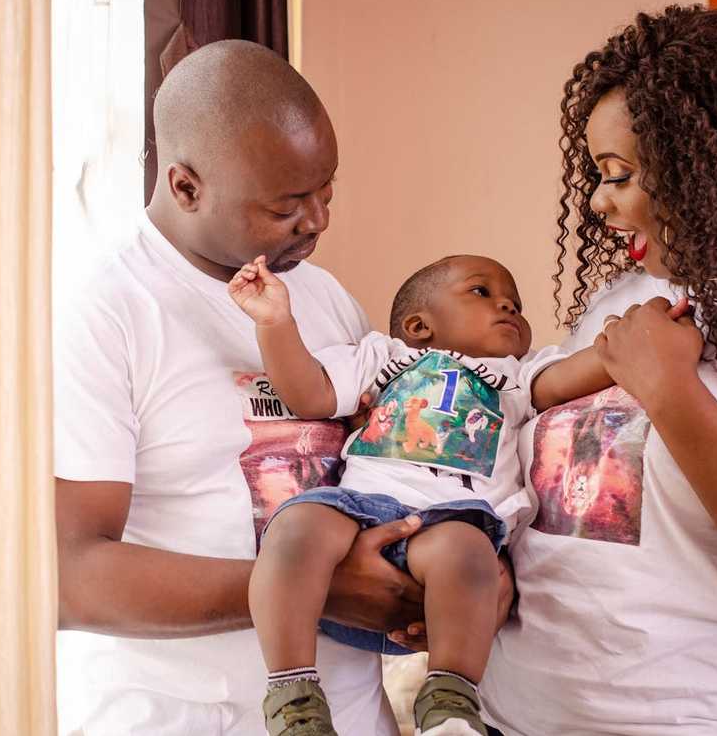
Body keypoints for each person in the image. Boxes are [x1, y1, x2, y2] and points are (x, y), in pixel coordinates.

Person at [480, 6, 717, 735]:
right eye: (596, 175)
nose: (597, 202)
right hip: (507, 714)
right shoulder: (618, 303)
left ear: (710, 165)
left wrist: (672, 391)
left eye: (618, 174)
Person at [54, 40, 425, 736]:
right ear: (186, 185)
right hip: (172, 715)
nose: (316, 221)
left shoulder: (324, 298)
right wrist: (314, 591)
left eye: (326, 192)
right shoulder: (103, 312)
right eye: (287, 205)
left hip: (347, 714)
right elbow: (68, 578)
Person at [229, 253, 684, 735]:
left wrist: (635, 336)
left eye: (516, 303)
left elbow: (576, 373)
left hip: (452, 519)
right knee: (295, 528)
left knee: (471, 555)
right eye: (482, 292)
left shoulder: (521, 373)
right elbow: (310, 394)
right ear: (419, 325)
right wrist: (276, 322)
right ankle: (293, 695)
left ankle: (449, 701)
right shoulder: (382, 356)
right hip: (359, 506)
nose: (508, 306)